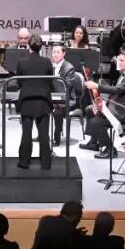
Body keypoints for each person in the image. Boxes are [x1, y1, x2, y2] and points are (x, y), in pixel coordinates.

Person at [81, 49, 125, 157]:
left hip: (124, 112)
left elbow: (117, 90)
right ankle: (93, 142)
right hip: (117, 107)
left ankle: (110, 150)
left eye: (122, 60)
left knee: (96, 122)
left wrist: (97, 86)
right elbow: (116, 92)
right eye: (119, 60)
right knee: (90, 109)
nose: (119, 63)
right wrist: (103, 103)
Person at [15, 34, 54, 169]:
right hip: (43, 101)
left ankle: (24, 162)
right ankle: (46, 163)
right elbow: (50, 81)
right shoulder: (47, 62)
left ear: (29, 46)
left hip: (26, 101)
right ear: (41, 47)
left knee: (26, 133)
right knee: (44, 134)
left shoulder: (21, 61)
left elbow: (19, 82)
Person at [50, 44, 81, 147]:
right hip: (52, 97)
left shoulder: (69, 68)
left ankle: (56, 137)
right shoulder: (50, 66)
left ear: (63, 54)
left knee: (57, 112)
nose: (55, 55)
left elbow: (68, 86)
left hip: (67, 99)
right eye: (53, 52)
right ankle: (42, 135)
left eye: (58, 52)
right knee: (39, 106)